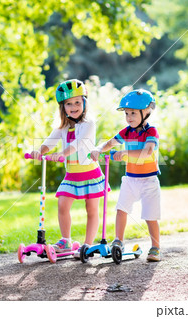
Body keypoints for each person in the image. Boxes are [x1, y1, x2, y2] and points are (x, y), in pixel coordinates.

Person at [30, 79, 106, 256]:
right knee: (62, 204)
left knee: (92, 209)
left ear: (84, 102)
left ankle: (87, 245)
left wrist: (63, 153)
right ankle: (66, 241)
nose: (74, 107)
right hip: (72, 175)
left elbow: (79, 144)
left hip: (90, 173)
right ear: (62, 107)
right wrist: (39, 151)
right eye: (69, 104)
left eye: (77, 102)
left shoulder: (89, 124)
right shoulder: (62, 126)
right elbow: (50, 141)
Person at [90, 89, 161, 261]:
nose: (129, 117)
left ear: (146, 112)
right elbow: (111, 142)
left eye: (133, 113)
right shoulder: (127, 131)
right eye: (127, 113)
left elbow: (147, 151)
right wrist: (98, 149)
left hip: (149, 180)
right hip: (130, 179)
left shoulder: (151, 132)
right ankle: (118, 241)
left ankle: (155, 247)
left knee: (150, 216)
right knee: (121, 209)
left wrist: (125, 154)